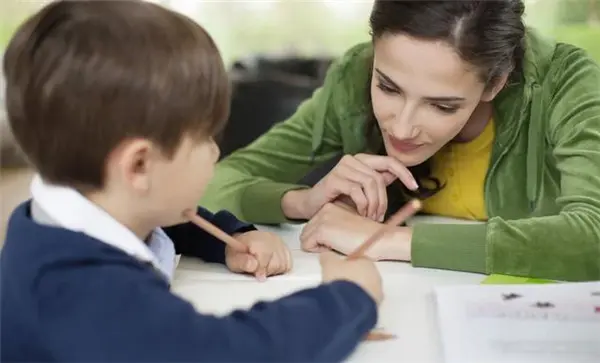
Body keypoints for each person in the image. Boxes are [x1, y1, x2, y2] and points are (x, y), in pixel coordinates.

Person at [0, 1, 384, 361]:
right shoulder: (88, 296)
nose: (216, 152)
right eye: (206, 138)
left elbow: (162, 217)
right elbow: (233, 350)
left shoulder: (54, 216)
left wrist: (226, 237)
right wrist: (349, 298)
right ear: (138, 166)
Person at [201, 0, 600, 282]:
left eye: (442, 106)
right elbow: (214, 183)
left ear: (495, 82)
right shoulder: (353, 75)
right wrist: (303, 201)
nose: (403, 129)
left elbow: (591, 237)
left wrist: (389, 240)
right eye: (388, 87)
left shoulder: (565, 82)